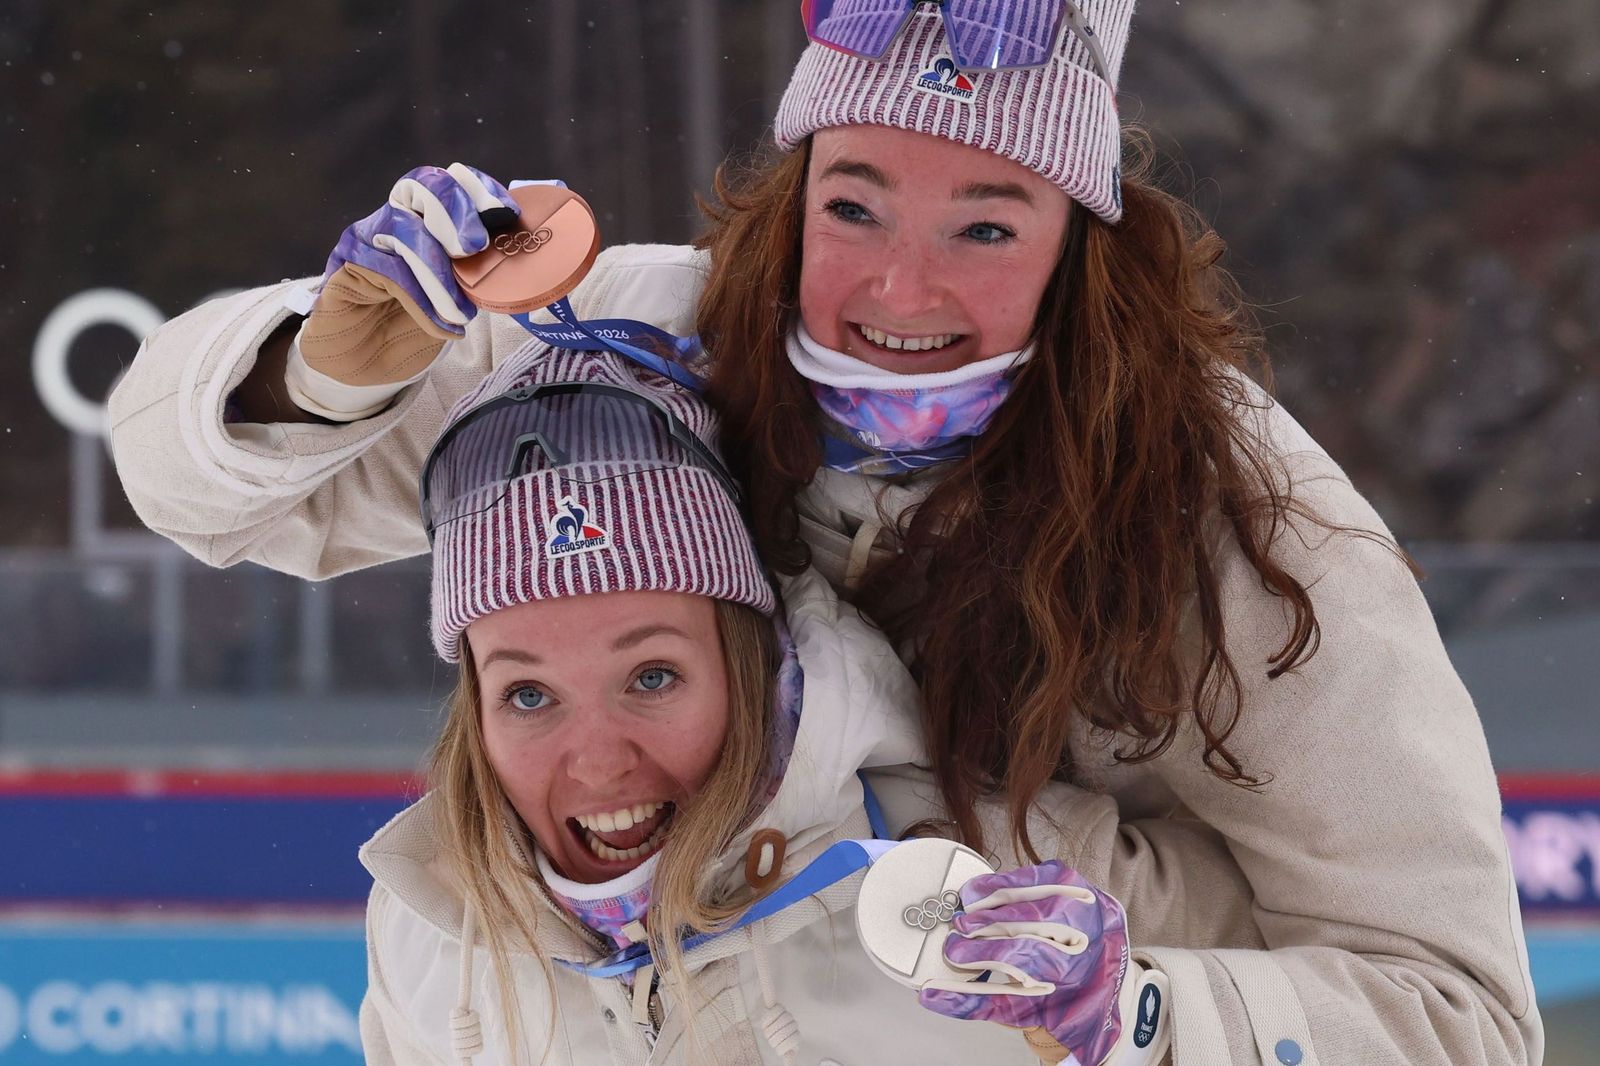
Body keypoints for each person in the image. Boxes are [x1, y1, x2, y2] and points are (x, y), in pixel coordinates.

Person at [108, 2, 1541, 1063]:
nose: (899, 287)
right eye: (854, 205)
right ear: (794, 194)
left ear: (1085, 248)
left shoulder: (1235, 516)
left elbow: (1462, 1010)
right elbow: (208, 494)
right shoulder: (624, 344)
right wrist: (322, 361)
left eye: (987, 225)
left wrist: (1149, 1010)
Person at [364, 342, 1096, 1064]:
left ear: (751, 665)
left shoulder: (992, 889)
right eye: (528, 695)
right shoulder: (428, 932)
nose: (598, 763)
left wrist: (1125, 1037)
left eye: (651, 677)